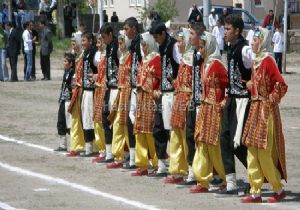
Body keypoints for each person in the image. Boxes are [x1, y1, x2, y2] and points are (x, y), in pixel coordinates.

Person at [241, 27, 288, 203]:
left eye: (254, 40)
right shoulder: (256, 61)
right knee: (251, 151)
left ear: (262, 42)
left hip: (266, 111)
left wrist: (270, 100)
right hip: (255, 110)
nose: (251, 43)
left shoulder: (268, 60)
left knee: (263, 151)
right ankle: (255, 191)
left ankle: (277, 188)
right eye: (251, 40)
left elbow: (280, 85)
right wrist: (252, 85)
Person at [217, 14, 253, 196]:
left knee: (238, 143)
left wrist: (253, 82)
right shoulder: (231, 48)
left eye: (228, 29)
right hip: (232, 99)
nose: (225, 32)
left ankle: (257, 176)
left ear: (238, 31)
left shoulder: (244, 49)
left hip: (242, 101)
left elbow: (261, 60)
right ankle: (231, 182)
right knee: (224, 138)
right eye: (225, 28)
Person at [190, 32, 228, 193]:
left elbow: (229, 85)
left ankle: (224, 177)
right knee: (201, 142)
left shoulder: (218, 65)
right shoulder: (204, 64)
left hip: (215, 110)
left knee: (214, 145)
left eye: (203, 46)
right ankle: (202, 180)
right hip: (205, 108)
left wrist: (224, 101)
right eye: (200, 46)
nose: (201, 49)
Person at [149, 21, 181, 178]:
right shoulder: (161, 46)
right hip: (163, 93)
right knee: (158, 128)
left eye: (157, 37)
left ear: (163, 34)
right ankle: (162, 165)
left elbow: (182, 66)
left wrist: (178, 82)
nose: (155, 40)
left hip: (174, 93)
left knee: (172, 132)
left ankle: (178, 168)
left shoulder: (174, 46)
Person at [175, 22, 205, 188]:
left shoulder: (201, 54)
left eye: (183, 39)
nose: (179, 43)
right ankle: (192, 170)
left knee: (199, 138)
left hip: (199, 101)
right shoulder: (191, 54)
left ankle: (208, 174)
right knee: (188, 135)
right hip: (191, 100)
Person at [164, 28, 192, 184]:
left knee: (187, 137)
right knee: (176, 136)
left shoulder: (192, 61)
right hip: (178, 101)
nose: (178, 44)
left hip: (187, 102)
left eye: (181, 41)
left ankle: (191, 170)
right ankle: (177, 170)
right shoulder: (183, 61)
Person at [131, 32, 161, 176]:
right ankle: (142, 163)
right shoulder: (144, 59)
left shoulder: (157, 59)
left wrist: (157, 91)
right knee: (140, 131)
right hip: (141, 98)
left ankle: (156, 163)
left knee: (150, 132)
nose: (143, 48)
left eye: (145, 45)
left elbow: (161, 79)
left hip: (151, 100)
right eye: (141, 45)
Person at [67, 32, 98, 157]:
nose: (73, 45)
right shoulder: (81, 55)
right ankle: (80, 145)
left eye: (76, 42)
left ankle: (91, 147)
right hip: (81, 90)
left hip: (88, 89)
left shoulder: (91, 54)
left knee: (89, 119)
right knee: (80, 119)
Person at [119, 17, 143, 171]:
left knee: (139, 123)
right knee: (130, 122)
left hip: (141, 88)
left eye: (127, 28)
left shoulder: (141, 43)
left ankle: (144, 158)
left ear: (134, 28)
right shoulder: (132, 43)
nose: (125, 32)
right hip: (133, 87)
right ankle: (134, 158)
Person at [106, 32, 133, 169]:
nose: (120, 45)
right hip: (121, 93)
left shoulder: (131, 57)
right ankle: (119, 155)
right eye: (119, 42)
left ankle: (128, 155)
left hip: (128, 93)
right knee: (118, 123)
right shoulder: (122, 56)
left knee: (126, 124)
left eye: (122, 42)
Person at [97, 23, 119, 163]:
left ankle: (120, 153)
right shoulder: (109, 46)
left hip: (117, 87)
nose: (103, 40)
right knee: (105, 117)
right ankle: (109, 152)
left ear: (110, 34)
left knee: (116, 120)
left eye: (104, 37)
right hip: (109, 87)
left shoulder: (118, 46)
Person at [54, 53, 75, 151]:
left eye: (66, 61)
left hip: (69, 101)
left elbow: (73, 87)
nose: (64, 63)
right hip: (63, 100)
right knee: (61, 121)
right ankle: (63, 144)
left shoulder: (72, 73)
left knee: (70, 124)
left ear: (71, 64)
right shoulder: (66, 72)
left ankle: (73, 145)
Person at [92, 35, 108, 162]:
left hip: (104, 90)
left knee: (103, 120)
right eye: (97, 42)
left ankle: (107, 150)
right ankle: (102, 149)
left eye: (100, 42)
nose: (98, 45)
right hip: (98, 89)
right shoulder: (100, 55)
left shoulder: (108, 56)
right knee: (97, 120)